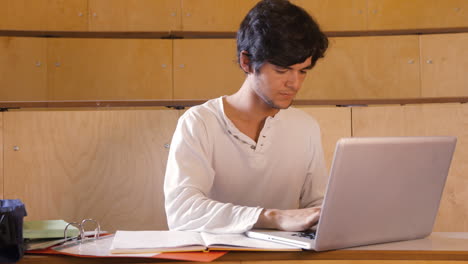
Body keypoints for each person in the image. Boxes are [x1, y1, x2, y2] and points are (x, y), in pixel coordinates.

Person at [164, 0, 329, 234]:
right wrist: (273, 217)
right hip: (215, 258)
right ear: (247, 62)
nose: (294, 83)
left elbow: (318, 207)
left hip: (286, 257)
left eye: (303, 71)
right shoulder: (199, 122)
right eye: (282, 70)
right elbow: (181, 213)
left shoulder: (306, 127)